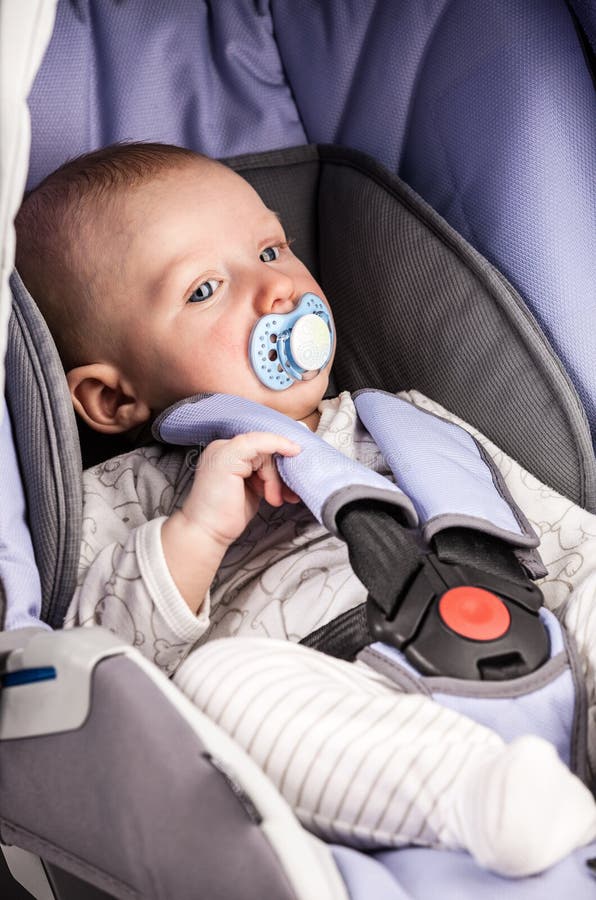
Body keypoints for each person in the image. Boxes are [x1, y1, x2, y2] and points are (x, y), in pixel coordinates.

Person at [14, 142, 596, 878]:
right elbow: (109, 682)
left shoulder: (407, 423)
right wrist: (196, 535)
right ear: (114, 397)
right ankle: (479, 798)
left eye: (270, 248)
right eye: (204, 290)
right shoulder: (127, 500)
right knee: (220, 687)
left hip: (527, 655)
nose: (276, 290)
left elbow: (561, 540)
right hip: (353, 726)